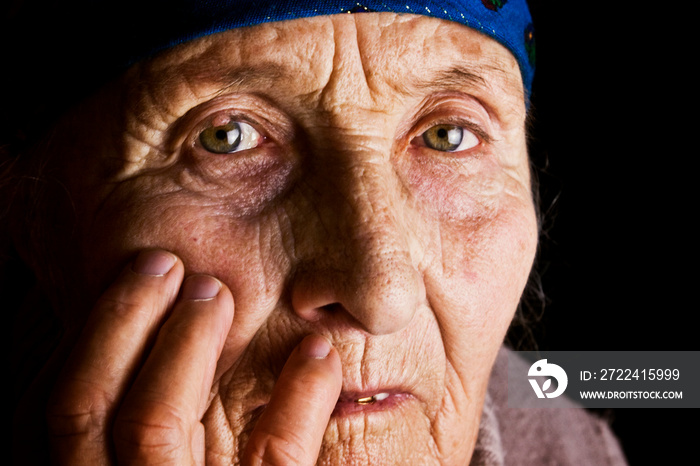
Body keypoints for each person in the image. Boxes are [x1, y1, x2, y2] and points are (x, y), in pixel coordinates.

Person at [4, 0, 627, 464]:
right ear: (24, 203)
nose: (380, 294)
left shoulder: (568, 449)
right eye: (228, 138)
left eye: (449, 135)